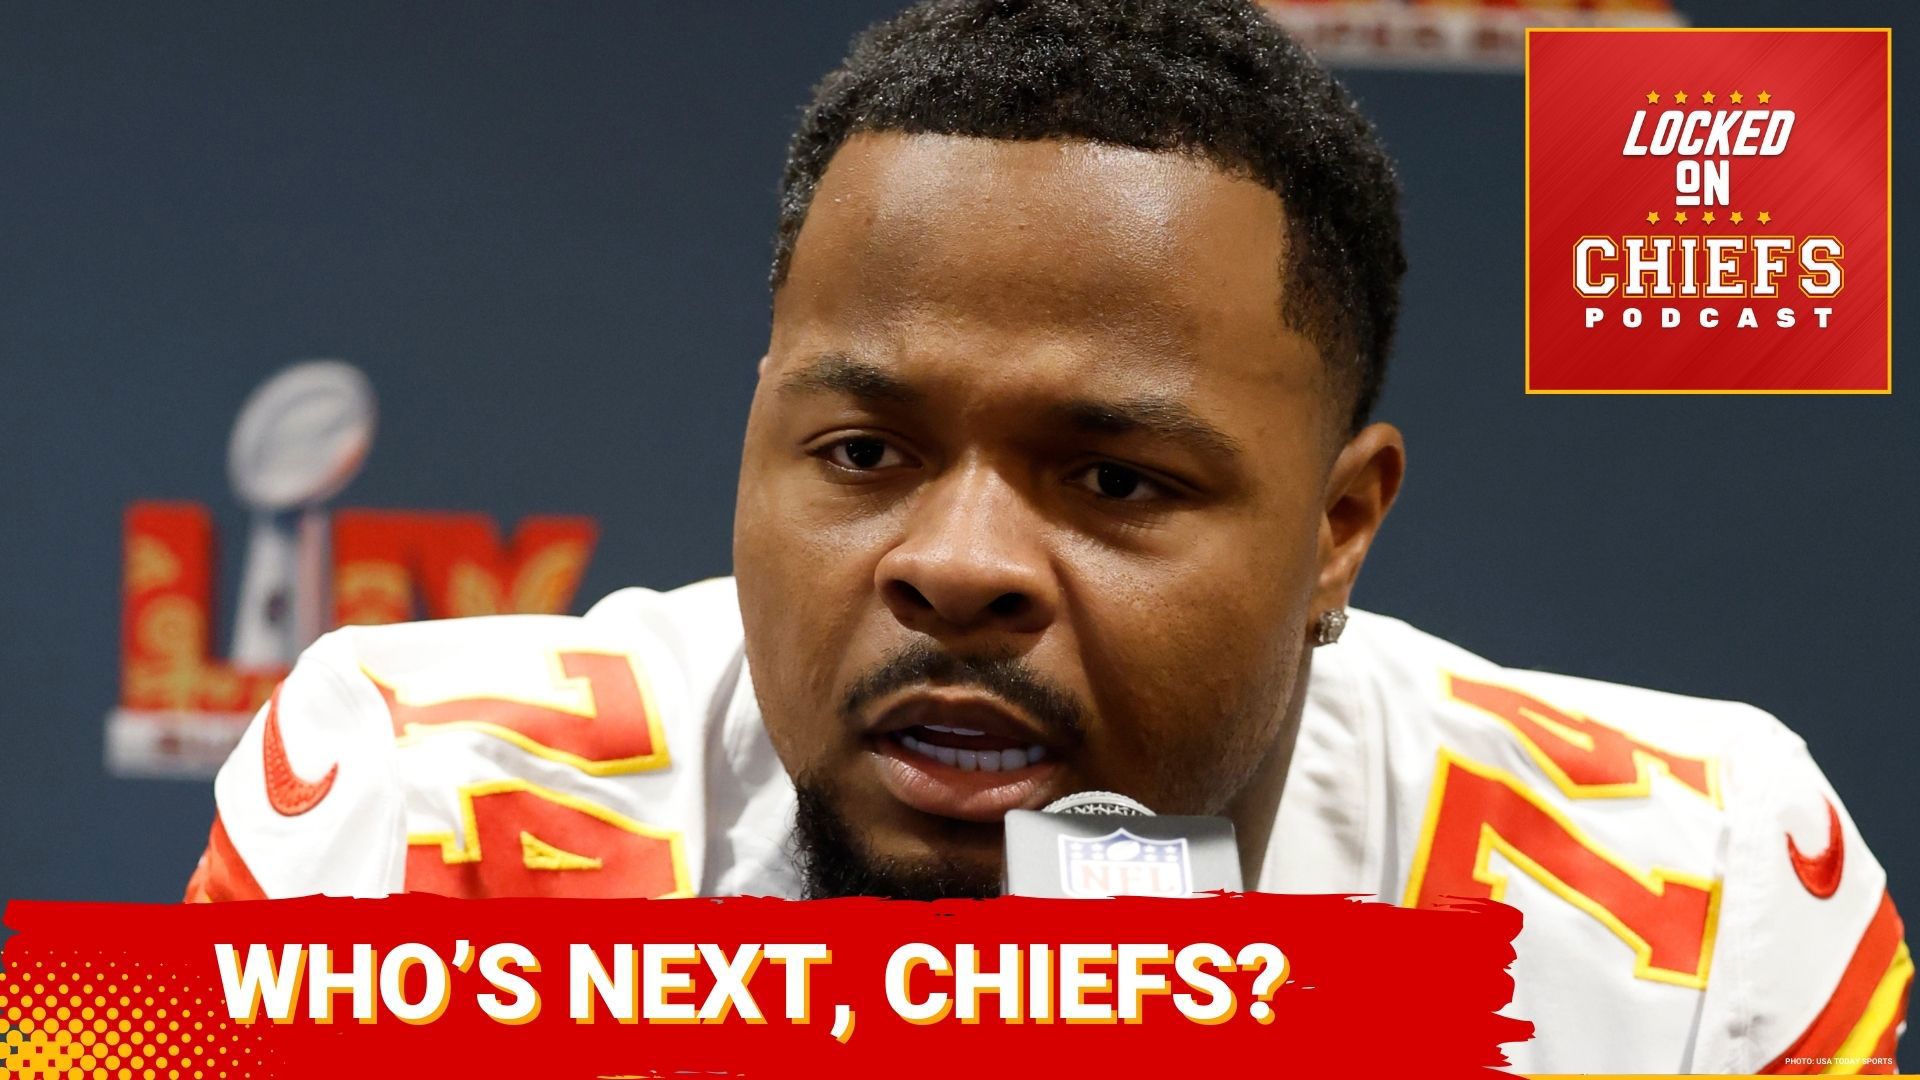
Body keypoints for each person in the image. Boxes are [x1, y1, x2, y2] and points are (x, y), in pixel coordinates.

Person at [184, 0, 1909, 1071]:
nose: (958, 564)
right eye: (865, 451)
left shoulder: (1698, 906)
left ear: (1337, 527)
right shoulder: (414, 817)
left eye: (1114, 482)